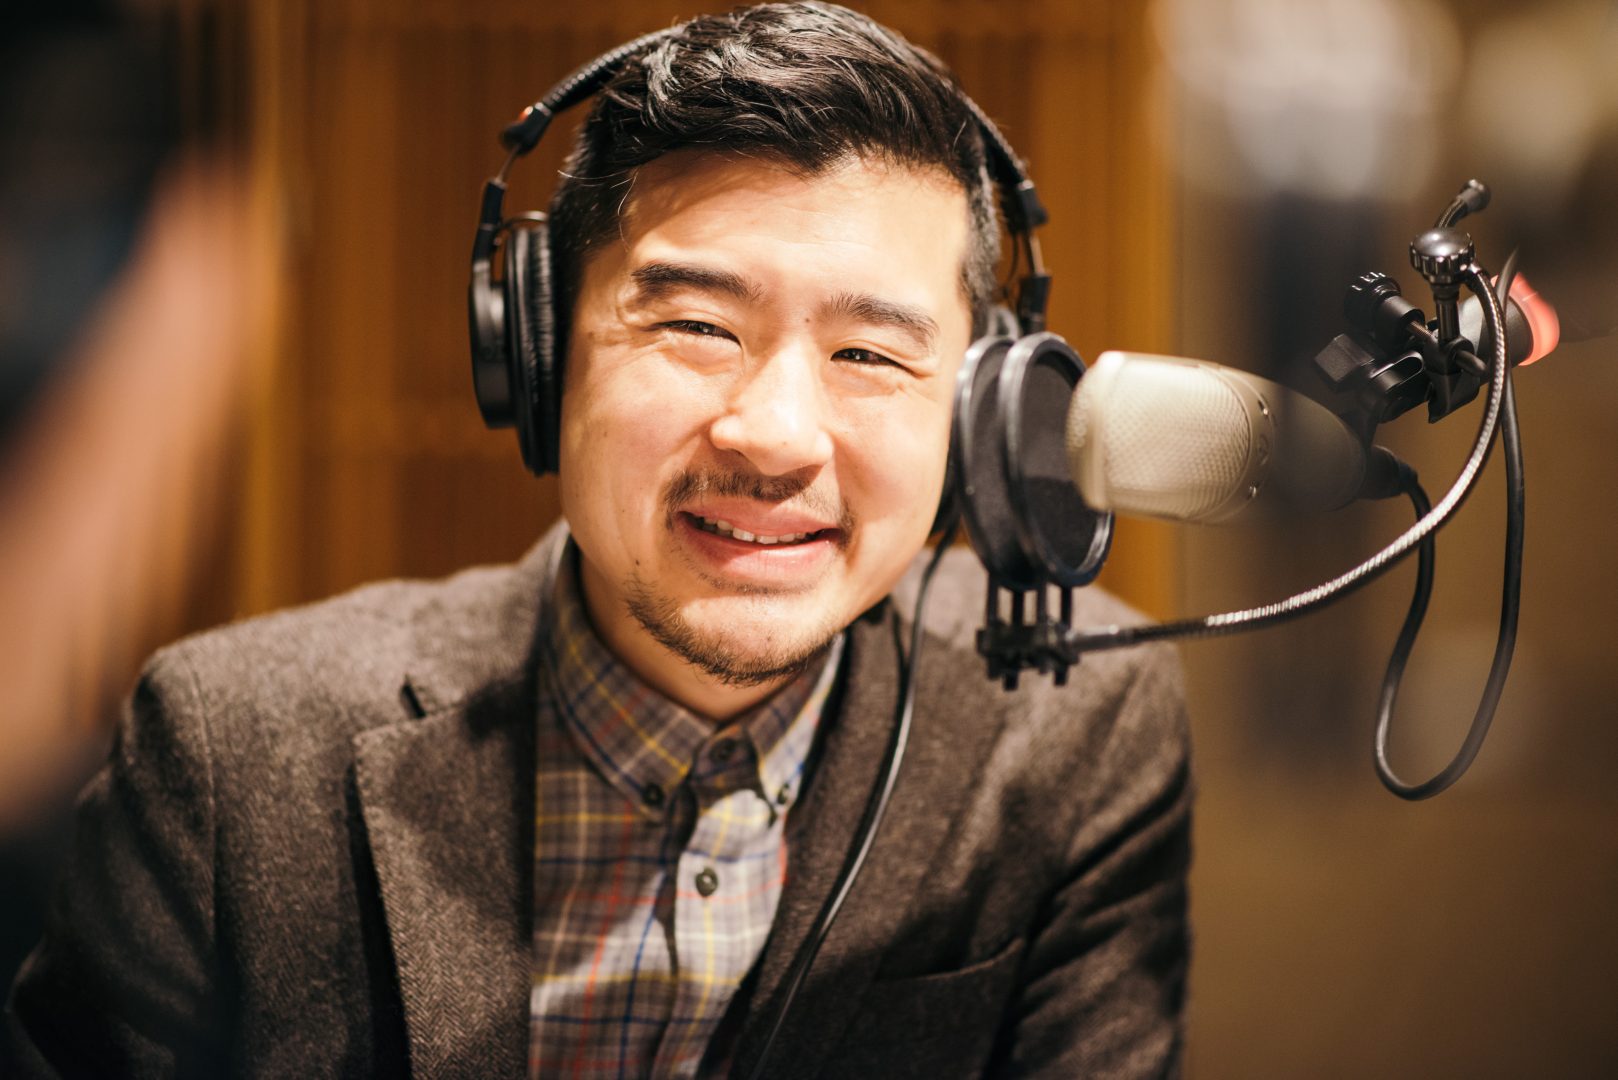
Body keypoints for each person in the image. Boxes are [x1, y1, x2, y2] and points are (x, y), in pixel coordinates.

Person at [4, 3, 1191, 1076]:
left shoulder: (1079, 737)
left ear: (981, 420)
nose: (776, 434)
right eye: (697, 326)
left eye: (870, 354)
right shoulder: (231, 753)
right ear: (536, 351)